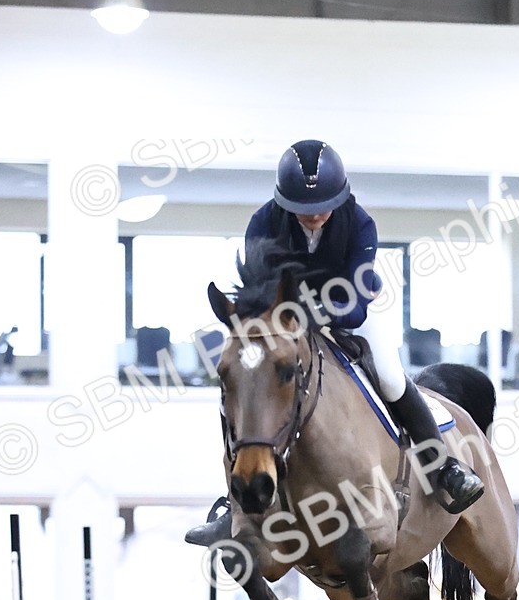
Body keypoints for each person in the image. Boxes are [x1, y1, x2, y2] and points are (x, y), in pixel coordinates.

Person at [187, 140, 483, 546]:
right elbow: (257, 290)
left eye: (323, 205)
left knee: (392, 379)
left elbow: (356, 302)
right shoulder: (263, 223)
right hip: (284, 326)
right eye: (304, 209)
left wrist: (309, 311)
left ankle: (442, 467)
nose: (314, 215)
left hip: (349, 313)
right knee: (249, 387)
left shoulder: (360, 224)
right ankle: (235, 506)